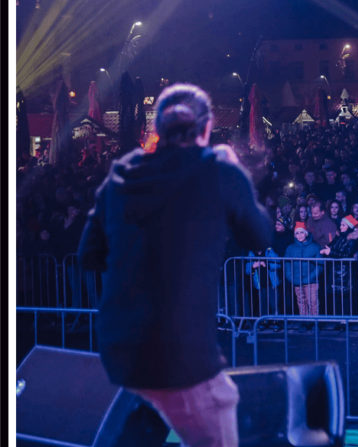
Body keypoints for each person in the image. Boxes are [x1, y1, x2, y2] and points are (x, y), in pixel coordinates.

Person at [78, 83, 272, 447]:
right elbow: (260, 237)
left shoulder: (121, 174)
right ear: (207, 127)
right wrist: (237, 171)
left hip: (119, 350)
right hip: (180, 355)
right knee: (218, 418)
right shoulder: (219, 171)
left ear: (157, 129)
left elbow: (88, 255)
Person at [284, 222, 323, 321]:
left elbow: (320, 265)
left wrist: (311, 277)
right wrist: (291, 278)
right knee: (301, 301)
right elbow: (287, 264)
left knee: (313, 302)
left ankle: (315, 322)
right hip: (297, 280)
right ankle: (305, 322)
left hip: (311, 281)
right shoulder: (290, 248)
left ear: (306, 233)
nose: (299, 235)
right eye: (297, 233)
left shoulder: (315, 246)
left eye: (302, 232)